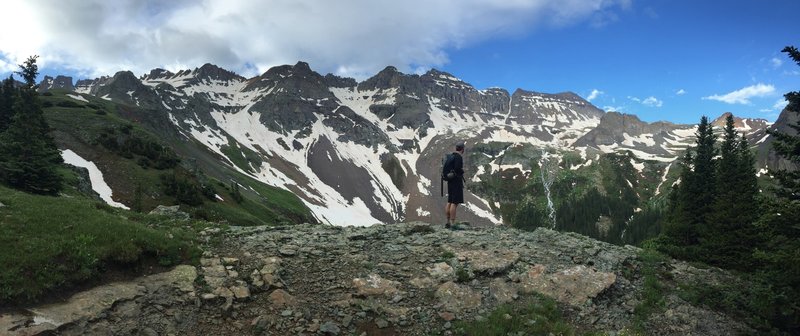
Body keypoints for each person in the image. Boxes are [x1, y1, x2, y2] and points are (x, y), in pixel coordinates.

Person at [444, 142, 465, 228]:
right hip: (456, 181)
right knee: (454, 203)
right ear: (462, 149)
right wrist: (462, 171)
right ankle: (453, 223)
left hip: (450, 181)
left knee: (449, 201)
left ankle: (448, 221)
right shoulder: (458, 157)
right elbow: (457, 168)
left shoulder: (451, 156)